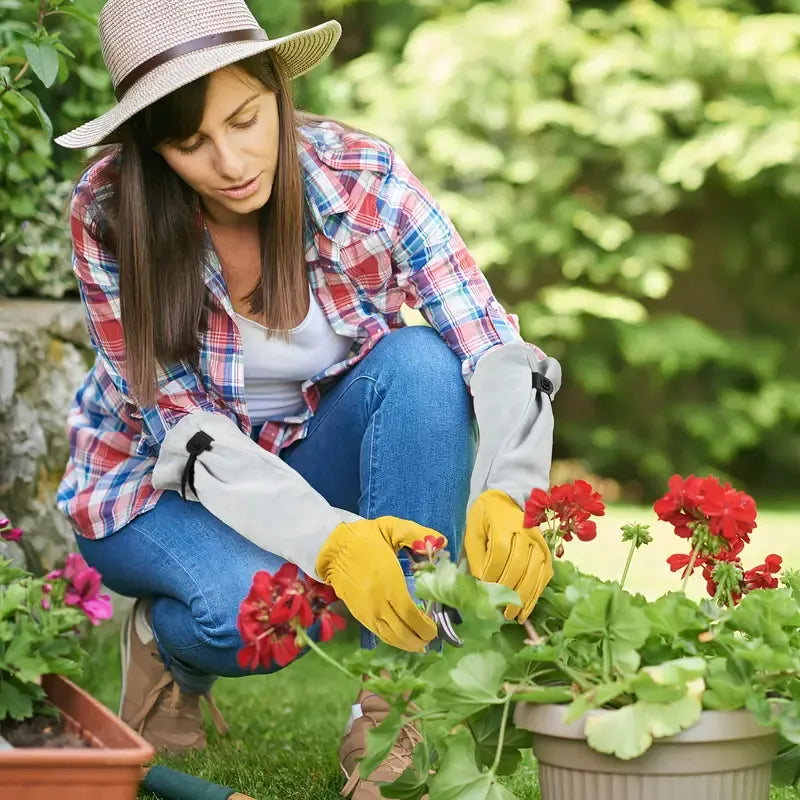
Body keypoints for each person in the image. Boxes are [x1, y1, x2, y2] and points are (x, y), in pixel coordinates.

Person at [54, 0, 560, 796]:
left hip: (306, 460)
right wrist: (329, 545)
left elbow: (490, 343)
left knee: (424, 359)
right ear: (154, 147)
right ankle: (164, 641)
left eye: (246, 119)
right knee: (268, 613)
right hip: (151, 487)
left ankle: (399, 708)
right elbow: (180, 430)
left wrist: (510, 493)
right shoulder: (108, 213)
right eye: (191, 143)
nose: (230, 161)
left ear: (278, 90)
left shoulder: (364, 178)